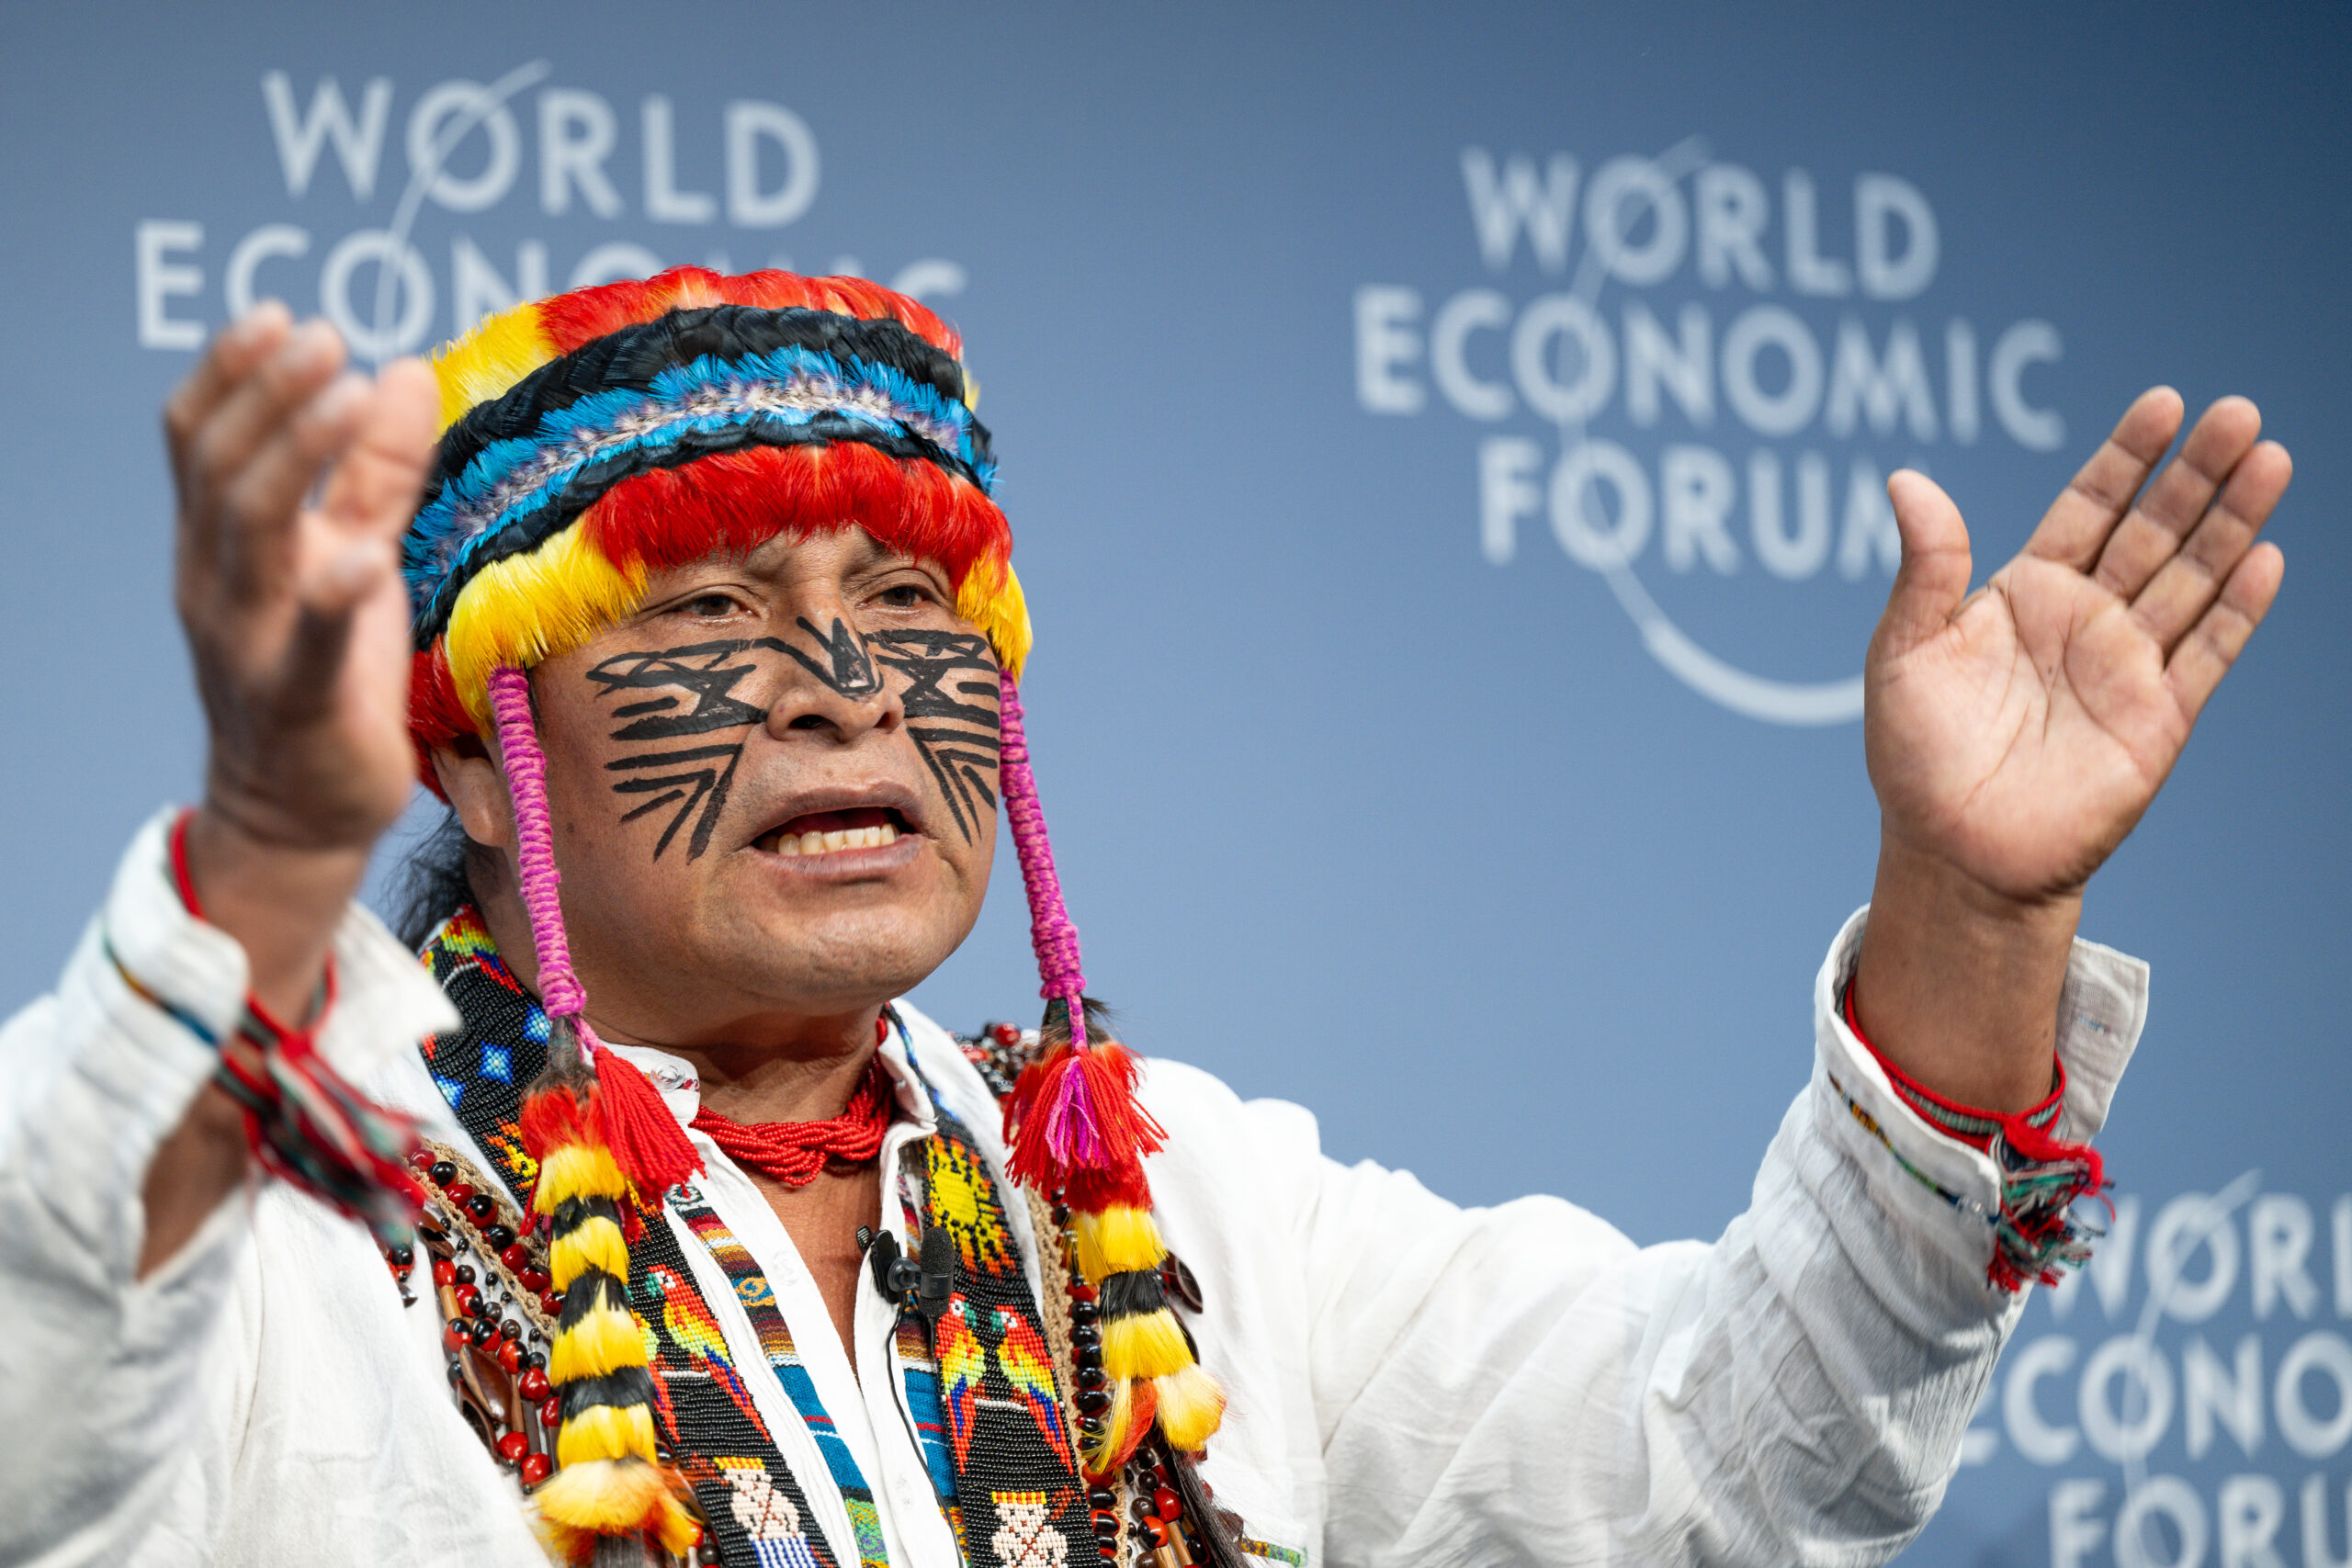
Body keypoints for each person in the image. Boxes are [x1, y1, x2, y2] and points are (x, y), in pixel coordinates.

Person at [0, 267, 2288, 1568]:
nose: (841, 685)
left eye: (912, 601)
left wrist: (1969, 904)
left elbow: (1724, 1464)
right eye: (701, 609)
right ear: (474, 755)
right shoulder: (300, 1194)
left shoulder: (1167, 1197)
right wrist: (271, 864)